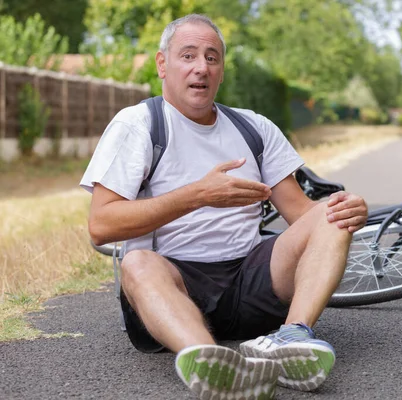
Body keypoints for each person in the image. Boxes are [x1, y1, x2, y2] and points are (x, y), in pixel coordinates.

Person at [80, 13, 367, 400]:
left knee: (331, 212)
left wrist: (347, 212)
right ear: (162, 64)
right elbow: (101, 224)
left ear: (222, 70)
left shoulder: (255, 128)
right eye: (188, 55)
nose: (202, 68)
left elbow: (301, 215)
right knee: (136, 263)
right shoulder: (138, 125)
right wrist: (198, 195)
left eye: (212, 58)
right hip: (174, 286)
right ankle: (209, 360)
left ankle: (292, 336)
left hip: (249, 283)